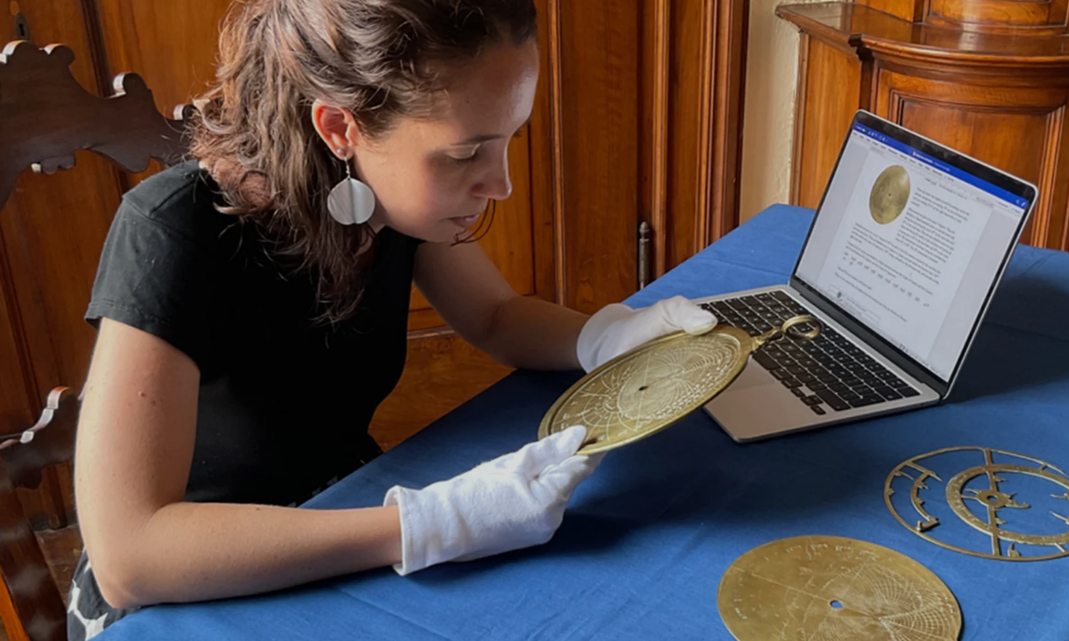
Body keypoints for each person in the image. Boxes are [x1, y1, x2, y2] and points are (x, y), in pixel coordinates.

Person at [66, 1, 716, 639]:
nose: (501, 184)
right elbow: (129, 557)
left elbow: (495, 315)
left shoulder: (382, 197)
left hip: (342, 509)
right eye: (465, 154)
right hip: (187, 580)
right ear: (340, 129)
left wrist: (606, 336)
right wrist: (434, 522)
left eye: (508, 139)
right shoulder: (173, 230)